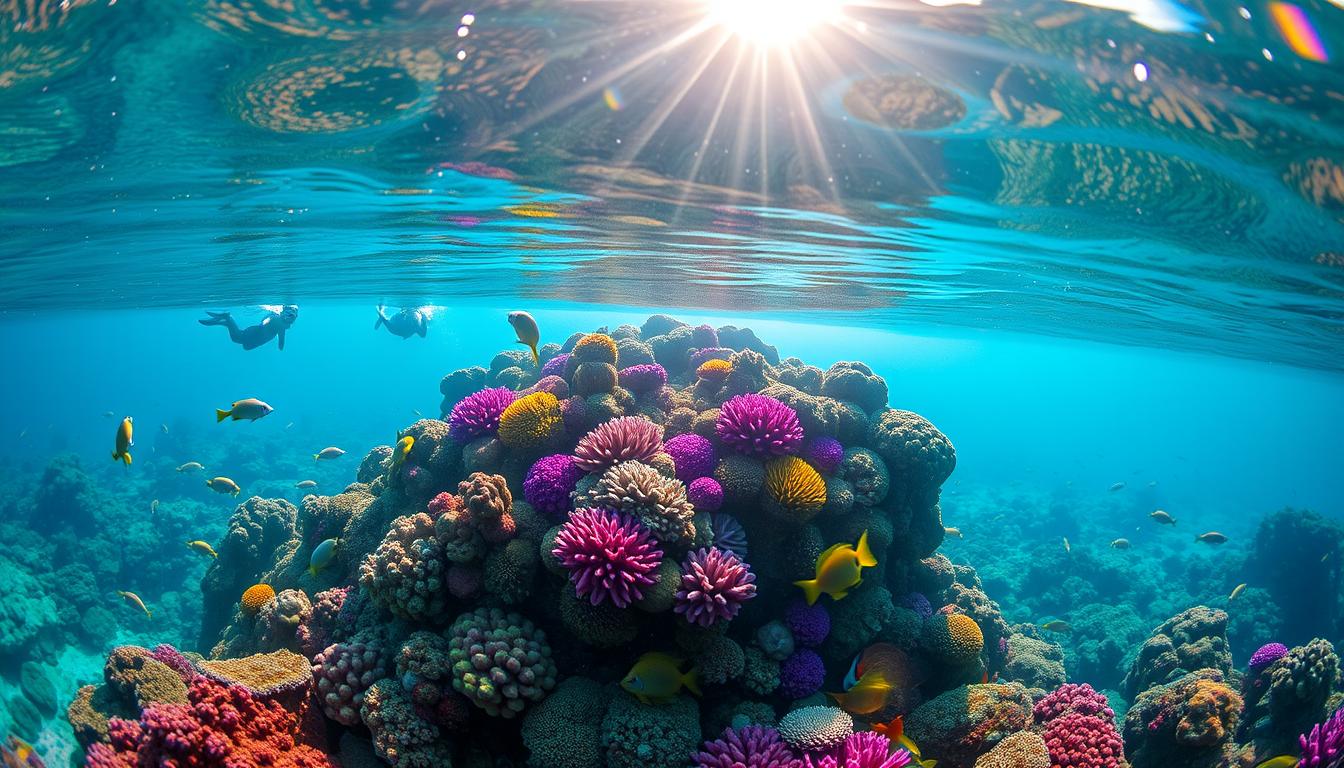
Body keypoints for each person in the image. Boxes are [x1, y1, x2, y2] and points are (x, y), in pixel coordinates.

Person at [198, 305, 298, 350]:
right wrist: (280, 347)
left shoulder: (280, 325)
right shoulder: (281, 326)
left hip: (257, 333)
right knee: (236, 338)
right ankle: (226, 318)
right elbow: (281, 342)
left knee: (236, 336)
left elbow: (280, 340)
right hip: (256, 334)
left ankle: (225, 321)